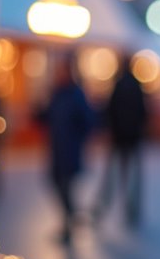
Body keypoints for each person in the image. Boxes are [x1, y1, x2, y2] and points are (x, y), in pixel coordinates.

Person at [37, 55, 94, 243]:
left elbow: (88, 121)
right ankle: (72, 217)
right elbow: (48, 116)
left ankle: (68, 226)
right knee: (57, 185)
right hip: (56, 150)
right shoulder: (56, 93)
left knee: (65, 188)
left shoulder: (76, 94)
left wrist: (76, 136)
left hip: (70, 150)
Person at [96, 52, 148, 227]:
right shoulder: (137, 85)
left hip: (118, 138)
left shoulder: (118, 85)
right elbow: (143, 112)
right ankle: (132, 210)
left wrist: (112, 130)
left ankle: (103, 207)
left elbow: (109, 111)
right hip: (133, 138)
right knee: (132, 176)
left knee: (112, 175)